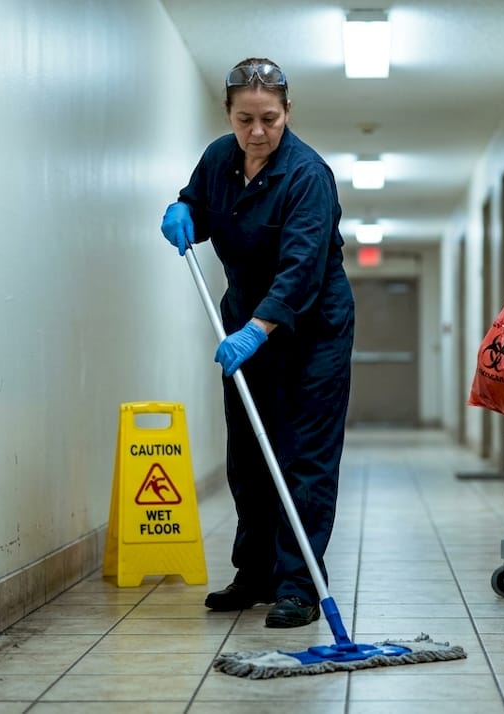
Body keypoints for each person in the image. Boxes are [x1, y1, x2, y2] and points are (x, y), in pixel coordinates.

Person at [159, 58, 355, 628]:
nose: (258, 131)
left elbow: (301, 269)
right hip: (243, 318)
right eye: (245, 118)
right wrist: (183, 214)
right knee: (248, 452)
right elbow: (198, 204)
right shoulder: (220, 158)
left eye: (269, 118)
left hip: (312, 330)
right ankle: (256, 573)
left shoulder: (307, 176)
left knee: (303, 455)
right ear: (229, 114)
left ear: (288, 112)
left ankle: (298, 584)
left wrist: (258, 330)